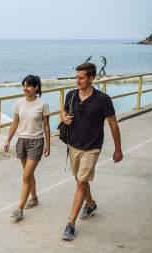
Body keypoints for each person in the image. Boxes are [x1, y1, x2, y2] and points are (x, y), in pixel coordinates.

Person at [61, 62, 123, 241]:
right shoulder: (71, 95)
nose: (77, 80)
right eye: (76, 77)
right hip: (73, 145)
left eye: (81, 77)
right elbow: (64, 112)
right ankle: (90, 204)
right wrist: (64, 118)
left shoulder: (103, 99)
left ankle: (70, 224)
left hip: (92, 147)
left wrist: (118, 149)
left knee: (81, 182)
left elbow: (113, 123)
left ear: (91, 78)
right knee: (80, 180)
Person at [4, 75, 50, 222]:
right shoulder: (19, 103)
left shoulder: (43, 104)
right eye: (24, 85)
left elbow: (46, 126)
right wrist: (7, 140)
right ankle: (34, 198)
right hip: (22, 141)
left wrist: (48, 144)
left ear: (36, 88)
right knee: (28, 174)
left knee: (26, 176)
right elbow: (14, 123)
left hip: (36, 142)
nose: (25, 88)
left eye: (29, 85)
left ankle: (20, 209)